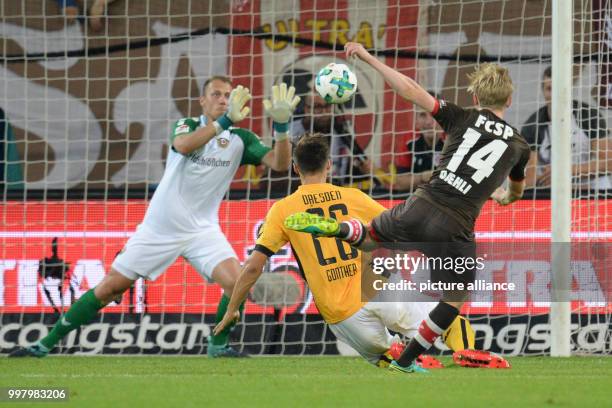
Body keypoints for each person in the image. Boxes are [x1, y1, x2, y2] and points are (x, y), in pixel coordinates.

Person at [9, 77, 300, 358]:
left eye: (228, 95)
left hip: (202, 231)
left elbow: (279, 163)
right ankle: (45, 344)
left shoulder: (241, 139)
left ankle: (219, 345)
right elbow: (184, 146)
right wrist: (223, 122)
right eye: (217, 94)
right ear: (202, 101)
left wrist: (283, 128)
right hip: (159, 228)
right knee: (110, 288)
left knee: (237, 284)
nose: (223, 100)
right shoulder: (186, 125)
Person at [285, 42, 530, 373]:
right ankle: (406, 360)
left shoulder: (461, 116)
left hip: (422, 202)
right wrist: (503, 197)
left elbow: (411, 90)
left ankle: (341, 228)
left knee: (370, 239)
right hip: (456, 226)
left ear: (475, 98)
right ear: (510, 101)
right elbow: (517, 189)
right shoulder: (518, 145)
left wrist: (370, 58)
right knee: (454, 298)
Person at [214, 135, 475, 367]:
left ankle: (402, 356)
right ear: (329, 164)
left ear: (295, 167)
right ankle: (469, 355)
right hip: (373, 286)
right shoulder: (353, 197)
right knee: (446, 321)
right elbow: (399, 230)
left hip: (340, 312)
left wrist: (232, 309)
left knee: (394, 361)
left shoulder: (283, 210)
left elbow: (253, 267)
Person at [521, 66, 611, 190]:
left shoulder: (589, 116)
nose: (554, 95)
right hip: (554, 191)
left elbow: (609, 163)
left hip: (592, 189)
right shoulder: (532, 126)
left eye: (558, 88)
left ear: (568, 89)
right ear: (543, 91)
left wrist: (565, 171)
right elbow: (529, 180)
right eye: (549, 89)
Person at [290, 92, 373, 187]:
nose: (324, 111)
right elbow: (282, 172)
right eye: (317, 107)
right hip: (300, 191)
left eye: (328, 106)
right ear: (306, 109)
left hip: (336, 192)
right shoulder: (291, 131)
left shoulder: (341, 131)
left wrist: (363, 169)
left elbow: (347, 167)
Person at [393, 92, 445, 191]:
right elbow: (399, 183)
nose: (429, 122)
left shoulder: (454, 140)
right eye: (422, 115)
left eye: (433, 114)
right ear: (416, 121)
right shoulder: (409, 140)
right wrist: (422, 177)